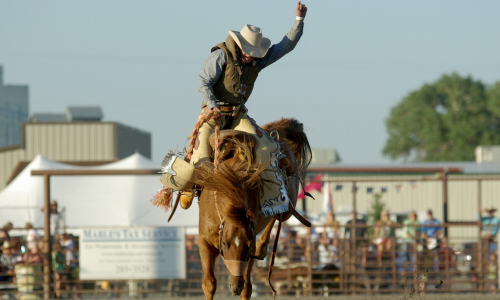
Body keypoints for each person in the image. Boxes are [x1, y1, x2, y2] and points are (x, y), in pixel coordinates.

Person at [159, 1, 308, 213]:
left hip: (238, 115)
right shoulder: (220, 55)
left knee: (267, 149)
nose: (250, 55)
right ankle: (187, 187)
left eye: (254, 52)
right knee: (200, 158)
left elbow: (286, 46)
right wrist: (212, 107)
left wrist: (299, 20)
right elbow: (204, 82)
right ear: (239, 45)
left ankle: (270, 200)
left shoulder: (258, 60)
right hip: (213, 115)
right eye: (248, 51)